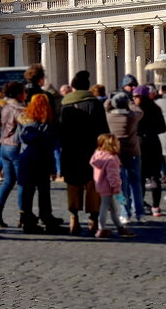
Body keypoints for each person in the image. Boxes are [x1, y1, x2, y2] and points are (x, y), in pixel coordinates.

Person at [58, 70, 109, 235]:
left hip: (71, 151)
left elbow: (61, 130)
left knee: (73, 185)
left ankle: (74, 218)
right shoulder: (95, 104)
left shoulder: (65, 105)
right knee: (93, 185)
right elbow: (103, 131)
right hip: (91, 150)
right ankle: (93, 219)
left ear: (73, 87)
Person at [17, 94, 62, 234]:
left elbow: (18, 138)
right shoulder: (47, 122)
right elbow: (51, 144)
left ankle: (27, 220)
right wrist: (54, 167)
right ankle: (46, 216)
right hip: (42, 158)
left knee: (27, 190)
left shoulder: (23, 119)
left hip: (26, 157)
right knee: (44, 190)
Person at [104, 90, 144, 224]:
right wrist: (131, 102)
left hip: (116, 154)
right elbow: (139, 110)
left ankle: (125, 212)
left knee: (120, 186)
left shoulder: (108, 116)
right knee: (136, 184)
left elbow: (105, 106)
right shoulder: (132, 116)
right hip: (133, 152)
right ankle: (140, 213)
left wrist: (109, 100)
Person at [0, 81, 25, 229]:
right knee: (22, 182)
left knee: (8, 182)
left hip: (4, 145)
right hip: (15, 147)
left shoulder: (4, 107)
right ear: (19, 94)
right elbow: (27, 126)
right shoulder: (18, 109)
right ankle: (23, 215)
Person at [90, 133, 135, 239]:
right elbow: (113, 176)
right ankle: (101, 229)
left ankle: (120, 227)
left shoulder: (97, 154)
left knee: (113, 208)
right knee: (105, 207)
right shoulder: (111, 158)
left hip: (100, 185)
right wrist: (117, 189)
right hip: (110, 188)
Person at [136, 87, 166, 217]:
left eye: (135, 96)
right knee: (155, 176)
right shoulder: (156, 109)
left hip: (140, 144)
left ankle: (141, 204)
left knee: (141, 177)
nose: (133, 98)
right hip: (154, 143)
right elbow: (163, 128)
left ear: (140, 97)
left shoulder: (136, 111)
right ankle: (156, 206)